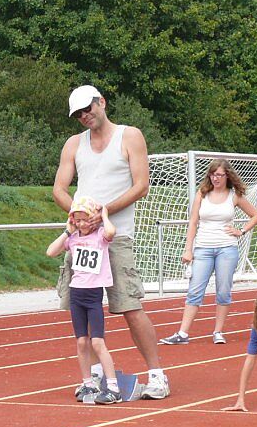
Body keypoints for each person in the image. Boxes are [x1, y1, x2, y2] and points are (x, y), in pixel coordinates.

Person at [54, 84, 170, 398]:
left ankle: (157, 375)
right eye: (78, 114)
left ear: (102, 103)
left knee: (129, 306)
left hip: (114, 236)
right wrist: (79, 216)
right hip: (82, 241)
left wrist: (102, 213)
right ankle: (93, 376)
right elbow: (59, 189)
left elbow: (141, 185)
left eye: (88, 109)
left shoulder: (129, 136)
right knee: (81, 306)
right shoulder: (73, 144)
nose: (84, 116)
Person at [160, 159, 257, 345]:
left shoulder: (234, 196)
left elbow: (256, 215)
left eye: (220, 175)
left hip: (227, 248)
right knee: (195, 290)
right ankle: (182, 333)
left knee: (223, 291)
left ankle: (218, 331)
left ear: (227, 176)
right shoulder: (202, 193)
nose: (216, 178)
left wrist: (241, 231)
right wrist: (188, 249)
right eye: (213, 174)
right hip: (203, 247)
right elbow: (193, 222)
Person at [46, 198, 122, 403]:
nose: (81, 224)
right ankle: (88, 383)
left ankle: (113, 386)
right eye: (77, 220)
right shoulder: (72, 238)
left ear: (93, 219)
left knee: (97, 342)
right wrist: (67, 231)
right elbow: (51, 252)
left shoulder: (100, 236)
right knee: (81, 341)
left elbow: (111, 232)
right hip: (76, 294)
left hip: (93, 295)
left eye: (85, 219)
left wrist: (103, 214)